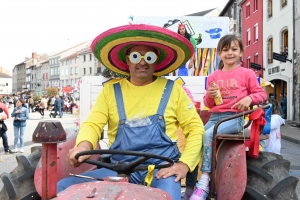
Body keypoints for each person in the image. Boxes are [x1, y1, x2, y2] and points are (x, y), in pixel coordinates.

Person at [57, 24, 204, 200]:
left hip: (161, 170)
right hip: (119, 169)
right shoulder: (110, 91)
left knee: (168, 196)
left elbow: (195, 128)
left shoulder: (173, 90)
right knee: (64, 188)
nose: (142, 62)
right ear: (127, 60)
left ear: (156, 60)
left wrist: (184, 164)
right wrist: (83, 146)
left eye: (148, 57)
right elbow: (93, 124)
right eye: (136, 57)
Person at [190, 34, 267, 200]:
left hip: (234, 118)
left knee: (209, 134)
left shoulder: (247, 73)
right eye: (225, 50)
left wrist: (249, 98)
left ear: (240, 53)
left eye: (234, 49)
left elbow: (261, 94)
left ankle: (204, 179)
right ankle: (191, 182)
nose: (229, 53)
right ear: (219, 53)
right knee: (196, 138)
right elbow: (208, 103)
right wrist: (210, 95)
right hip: (215, 117)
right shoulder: (213, 76)